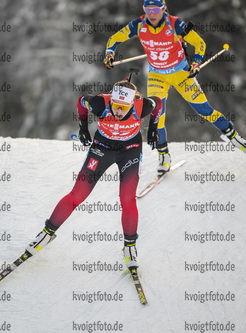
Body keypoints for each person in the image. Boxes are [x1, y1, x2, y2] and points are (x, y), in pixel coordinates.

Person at [25, 78, 163, 270]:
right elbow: (81, 101)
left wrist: (154, 129)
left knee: (127, 199)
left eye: (124, 107)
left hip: (130, 150)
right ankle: (47, 233)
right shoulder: (100, 103)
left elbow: (159, 103)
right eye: (116, 105)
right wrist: (82, 127)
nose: (118, 111)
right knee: (78, 194)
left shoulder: (143, 106)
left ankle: (130, 247)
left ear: (132, 103)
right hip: (102, 148)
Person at [103, 0, 246, 175]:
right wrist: (109, 53)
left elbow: (200, 43)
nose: (151, 14)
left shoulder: (175, 23)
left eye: (155, 9)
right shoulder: (138, 25)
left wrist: (196, 63)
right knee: (156, 115)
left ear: (163, 9)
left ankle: (233, 136)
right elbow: (114, 39)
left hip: (182, 74)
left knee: (204, 110)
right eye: (147, 9)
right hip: (157, 76)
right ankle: (164, 156)